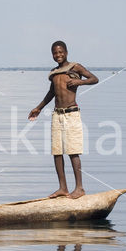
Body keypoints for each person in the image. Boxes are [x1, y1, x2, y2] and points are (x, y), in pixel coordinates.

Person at [28, 41, 99, 199]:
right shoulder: (54, 73)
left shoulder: (75, 67)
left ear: (66, 52)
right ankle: (63, 188)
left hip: (72, 114)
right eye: (55, 53)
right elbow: (51, 93)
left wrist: (80, 81)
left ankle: (79, 188)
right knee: (57, 152)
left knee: (73, 151)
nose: (58, 55)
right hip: (57, 115)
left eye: (61, 52)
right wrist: (38, 108)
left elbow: (94, 79)